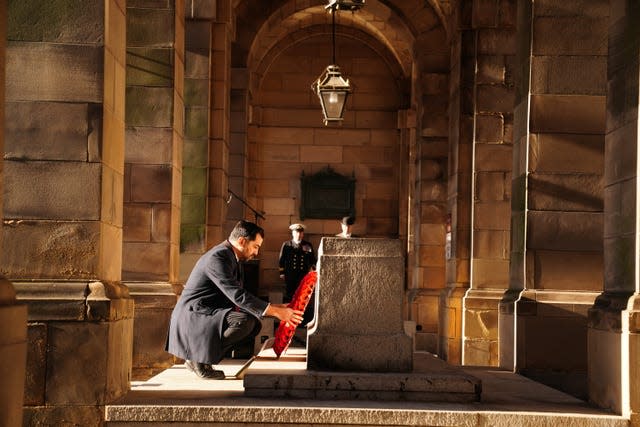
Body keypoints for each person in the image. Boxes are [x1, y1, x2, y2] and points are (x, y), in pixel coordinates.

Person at [166, 220, 304, 379]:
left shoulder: (231, 256)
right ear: (242, 241)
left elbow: (240, 294)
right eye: (255, 246)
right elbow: (237, 295)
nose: (256, 253)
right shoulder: (218, 257)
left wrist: (277, 307)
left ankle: (200, 357)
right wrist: (275, 312)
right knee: (244, 322)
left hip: (209, 314)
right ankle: (197, 358)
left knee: (253, 323)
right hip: (194, 317)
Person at [278, 223, 317, 326]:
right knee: (291, 296)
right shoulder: (287, 245)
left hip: (303, 277)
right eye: (296, 232)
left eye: (300, 232)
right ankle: (289, 319)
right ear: (293, 233)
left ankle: (304, 320)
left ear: (303, 234)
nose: (299, 234)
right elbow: (282, 260)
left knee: (304, 297)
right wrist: (282, 273)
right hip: (291, 276)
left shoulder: (307, 245)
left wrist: (313, 273)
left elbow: (313, 261)